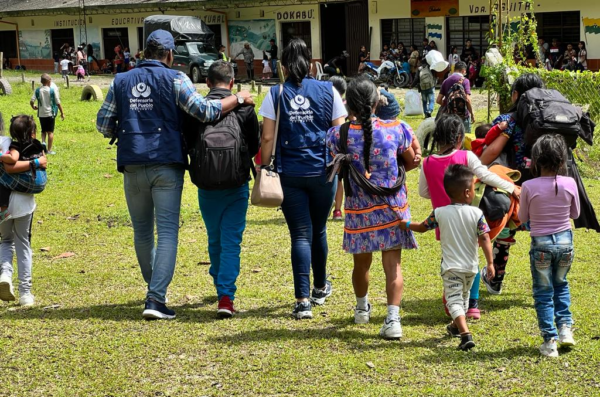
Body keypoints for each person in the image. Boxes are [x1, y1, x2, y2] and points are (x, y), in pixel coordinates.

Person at [96, 29, 253, 320]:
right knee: (167, 231)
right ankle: (155, 298)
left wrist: (128, 132)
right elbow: (204, 111)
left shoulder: (120, 80)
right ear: (169, 55)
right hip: (166, 164)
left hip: (131, 164)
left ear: (143, 52)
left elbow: (103, 124)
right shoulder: (176, 78)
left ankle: (154, 290)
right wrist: (238, 99)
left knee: (142, 231)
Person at [258, 38, 347, 319]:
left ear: (283, 66)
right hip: (323, 173)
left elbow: (268, 136)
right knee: (318, 230)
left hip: (289, 174)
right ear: (311, 63)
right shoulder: (328, 90)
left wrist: (263, 165)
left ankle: (302, 300)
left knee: (299, 234)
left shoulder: (276, 93)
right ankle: (320, 287)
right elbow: (339, 134)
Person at [327, 77, 419, 339]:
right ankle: (392, 320)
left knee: (361, 265)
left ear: (349, 104)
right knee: (393, 266)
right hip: (392, 208)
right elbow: (411, 162)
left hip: (358, 211)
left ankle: (361, 310)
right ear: (377, 101)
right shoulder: (397, 129)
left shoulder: (337, 134)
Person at [419, 114, 518, 319]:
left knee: (449, 257)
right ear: (458, 138)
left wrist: (439, 193)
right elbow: (486, 175)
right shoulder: (466, 157)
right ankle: (471, 304)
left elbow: (423, 192)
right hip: (468, 217)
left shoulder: (427, 162)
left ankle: (452, 297)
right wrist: (511, 187)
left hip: (443, 220)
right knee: (471, 256)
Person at [189, 61, 260, 318]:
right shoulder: (245, 111)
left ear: (207, 83)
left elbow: (188, 144)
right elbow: (253, 147)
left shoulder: (195, 110)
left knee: (214, 237)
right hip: (236, 184)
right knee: (232, 241)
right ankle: (226, 295)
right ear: (232, 83)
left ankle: (219, 281)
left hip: (206, 187)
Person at [402, 164, 494, 350]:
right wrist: (490, 263)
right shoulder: (477, 213)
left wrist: (406, 224)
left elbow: (422, 227)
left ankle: (465, 335)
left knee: (453, 301)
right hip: (471, 268)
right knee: (464, 299)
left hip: (451, 268)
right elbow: (485, 237)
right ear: (467, 192)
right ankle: (454, 327)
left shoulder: (440, 213)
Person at [479, 73, 544, 295]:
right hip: (544, 188)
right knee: (542, 233)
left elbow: (489, 155)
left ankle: (495, 279)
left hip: (513, 189)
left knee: (506, 229)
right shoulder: (548, 118)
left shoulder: (508, 121)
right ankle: (544, 284)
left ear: (516, 95)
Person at [518, 134, 579, 358]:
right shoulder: (570, 182)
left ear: (535, 160)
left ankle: (550, 342)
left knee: (543, 292)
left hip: (541, 244)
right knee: (561, 284)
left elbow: (522, 216)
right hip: (565, 242)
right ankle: (565, 330)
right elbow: (576, 213)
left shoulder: (528, 186)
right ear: (562, 160)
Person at [0, 115, 48, 307]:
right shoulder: (31, 146)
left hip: (2, 203)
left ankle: (5, 274)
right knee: (23, 244)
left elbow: (9, 165)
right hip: (24, 203)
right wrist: (36, 163)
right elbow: (41, 164)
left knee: (5, 241)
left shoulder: (9, 145)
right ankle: (25, 293)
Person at [0, 114, 47, 222]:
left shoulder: (16, 146)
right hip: (41, 180)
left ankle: (3, 210)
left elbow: (12, 162)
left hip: (28, 180)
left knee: (1, 180)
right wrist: (37, 162)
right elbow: (44, 162)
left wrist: (2, 157)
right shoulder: (38, 144)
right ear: (32, 132)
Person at [328, 75, 347, 222]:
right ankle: (338, 211)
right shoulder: (346, 104)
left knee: (329, 178)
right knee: (338, 179)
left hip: (327, 146)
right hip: (341, 147)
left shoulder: (324, 102)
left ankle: (328, 205)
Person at [30, 74, 64, 155]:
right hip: (50, 114)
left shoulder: (38, 90)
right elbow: (58, 103)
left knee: (43, 131)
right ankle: (49, 150)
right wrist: (62, 113)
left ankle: (43, 142)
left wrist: (33, 106)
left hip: (41, 114)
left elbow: (31, 101)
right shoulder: (52, 90)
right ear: (48, 82)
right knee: (50, 132)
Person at [437, 61, 474, 132]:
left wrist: (447, 105)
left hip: (449, 115)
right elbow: (468, 99)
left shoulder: (446, 81)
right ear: (463, 70)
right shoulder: (465, 81)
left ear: (454, 69)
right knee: (465, 138)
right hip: (463, 115)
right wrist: (472, 114)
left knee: (452, 138)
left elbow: (438, 100)